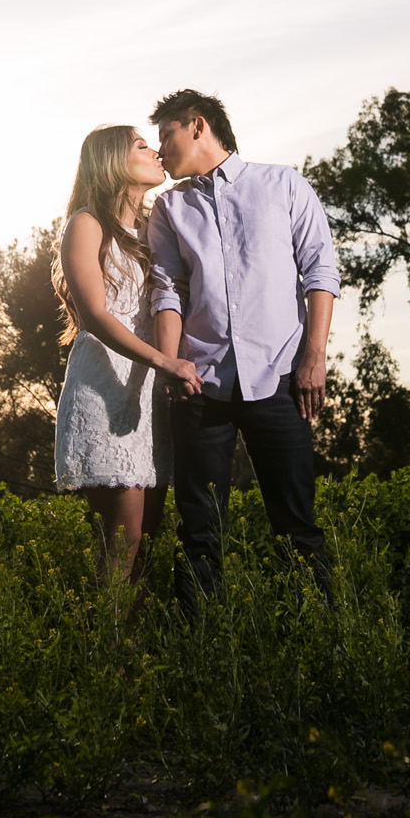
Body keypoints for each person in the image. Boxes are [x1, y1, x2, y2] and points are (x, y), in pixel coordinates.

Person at [146, 89, 340, 610]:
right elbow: (167, 289)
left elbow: (320, 272)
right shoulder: (168, 208)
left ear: (198, 126)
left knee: (296, 524)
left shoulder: (284, 185)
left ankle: (317, 641)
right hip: (200, 384)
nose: (161, 150)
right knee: (199, 530)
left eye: (167, 135)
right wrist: (170, 366)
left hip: (280, 378)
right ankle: (199, 652)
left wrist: (313, 357)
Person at [52, 124, 203, 584]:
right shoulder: (86, 222)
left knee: (149, 544)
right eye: (141, 145)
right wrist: (165, 361)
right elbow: (94, 314)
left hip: (151, 392)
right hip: (105, 386)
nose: (155, 150)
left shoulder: (154, 228)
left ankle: (130, 652)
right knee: (124, 541)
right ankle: (104, 654)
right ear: (114, 161)